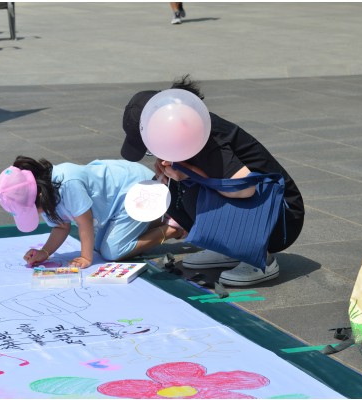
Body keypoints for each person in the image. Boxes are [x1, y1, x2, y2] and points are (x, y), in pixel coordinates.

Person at [120, 75, 305, 286]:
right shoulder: (184, 129)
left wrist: (189, 174)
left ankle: (261, 260)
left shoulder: (205, 137)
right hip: (267, 211)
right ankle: (228, 248)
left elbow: (245, 188)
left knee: (189, 189)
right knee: (173, 189)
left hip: (280, 219)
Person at [0, 156, 186, 269]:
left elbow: (85, 223)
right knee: (99, 247)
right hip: (115, 204)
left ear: (39, 195)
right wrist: (45, 252)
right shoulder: (41, 190)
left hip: (138, 190)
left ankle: (174, 227)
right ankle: (158, 218)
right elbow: (61, 227)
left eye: (31, 210)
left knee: (112, 251)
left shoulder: (68, 184)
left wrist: (86, 258)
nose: (37, 213)